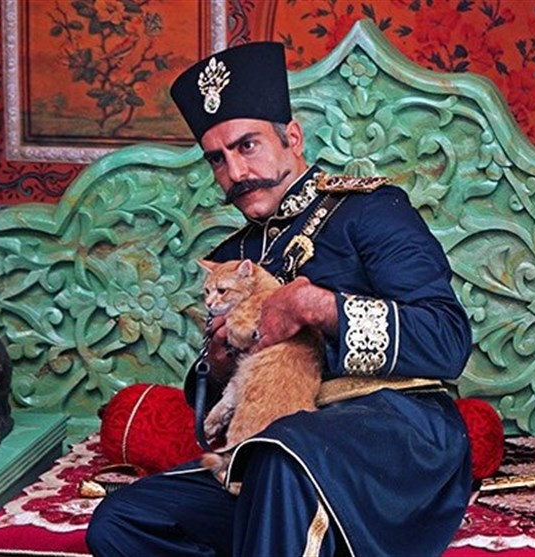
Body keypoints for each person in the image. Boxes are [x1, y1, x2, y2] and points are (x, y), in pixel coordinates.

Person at [87, 41, 473, 557]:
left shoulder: (372, 209)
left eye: (247, 146)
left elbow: (447, 340)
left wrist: (316, 308)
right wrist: (219, 362)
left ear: (292, 137)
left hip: (396, 438)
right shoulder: (231, 256)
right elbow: (216, 402)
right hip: (272, 448)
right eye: (218, 159)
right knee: (122, 521)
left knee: (282, 452)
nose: (234, 173)